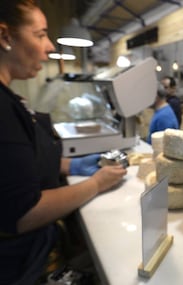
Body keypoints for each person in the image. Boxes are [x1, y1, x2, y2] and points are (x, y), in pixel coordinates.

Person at [0, 1, 127, 284]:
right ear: (5, 37)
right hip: (24, 265)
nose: (48, 47)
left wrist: (72, 165)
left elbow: (20, 167)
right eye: (41, 34)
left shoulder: (10, 99)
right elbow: (25, 212)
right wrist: (96, 183)